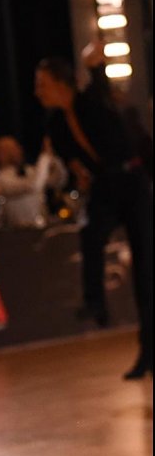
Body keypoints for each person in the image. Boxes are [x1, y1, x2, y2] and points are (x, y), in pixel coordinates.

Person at [35, 42, 153, 379]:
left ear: (62, 83)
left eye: (42, 84)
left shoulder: (91, 101)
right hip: (105, 186)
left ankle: (148, 352)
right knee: (90, 234)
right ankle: (96, 302)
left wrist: (94, 63)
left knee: (146, 271)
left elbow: (100, 86)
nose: (38, 92)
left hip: (132, 182)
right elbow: (73, 160)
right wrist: (80, 172)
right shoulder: (56, 124)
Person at [0, 136, 67, 230]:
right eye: (12, 149)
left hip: (41, 226)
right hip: (18, 232)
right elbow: (34, 186)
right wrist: (44, 156)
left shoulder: (29, 170)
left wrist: (53, 157)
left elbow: (58, 181)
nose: (19, 150)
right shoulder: (1, 178)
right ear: (0, 154)